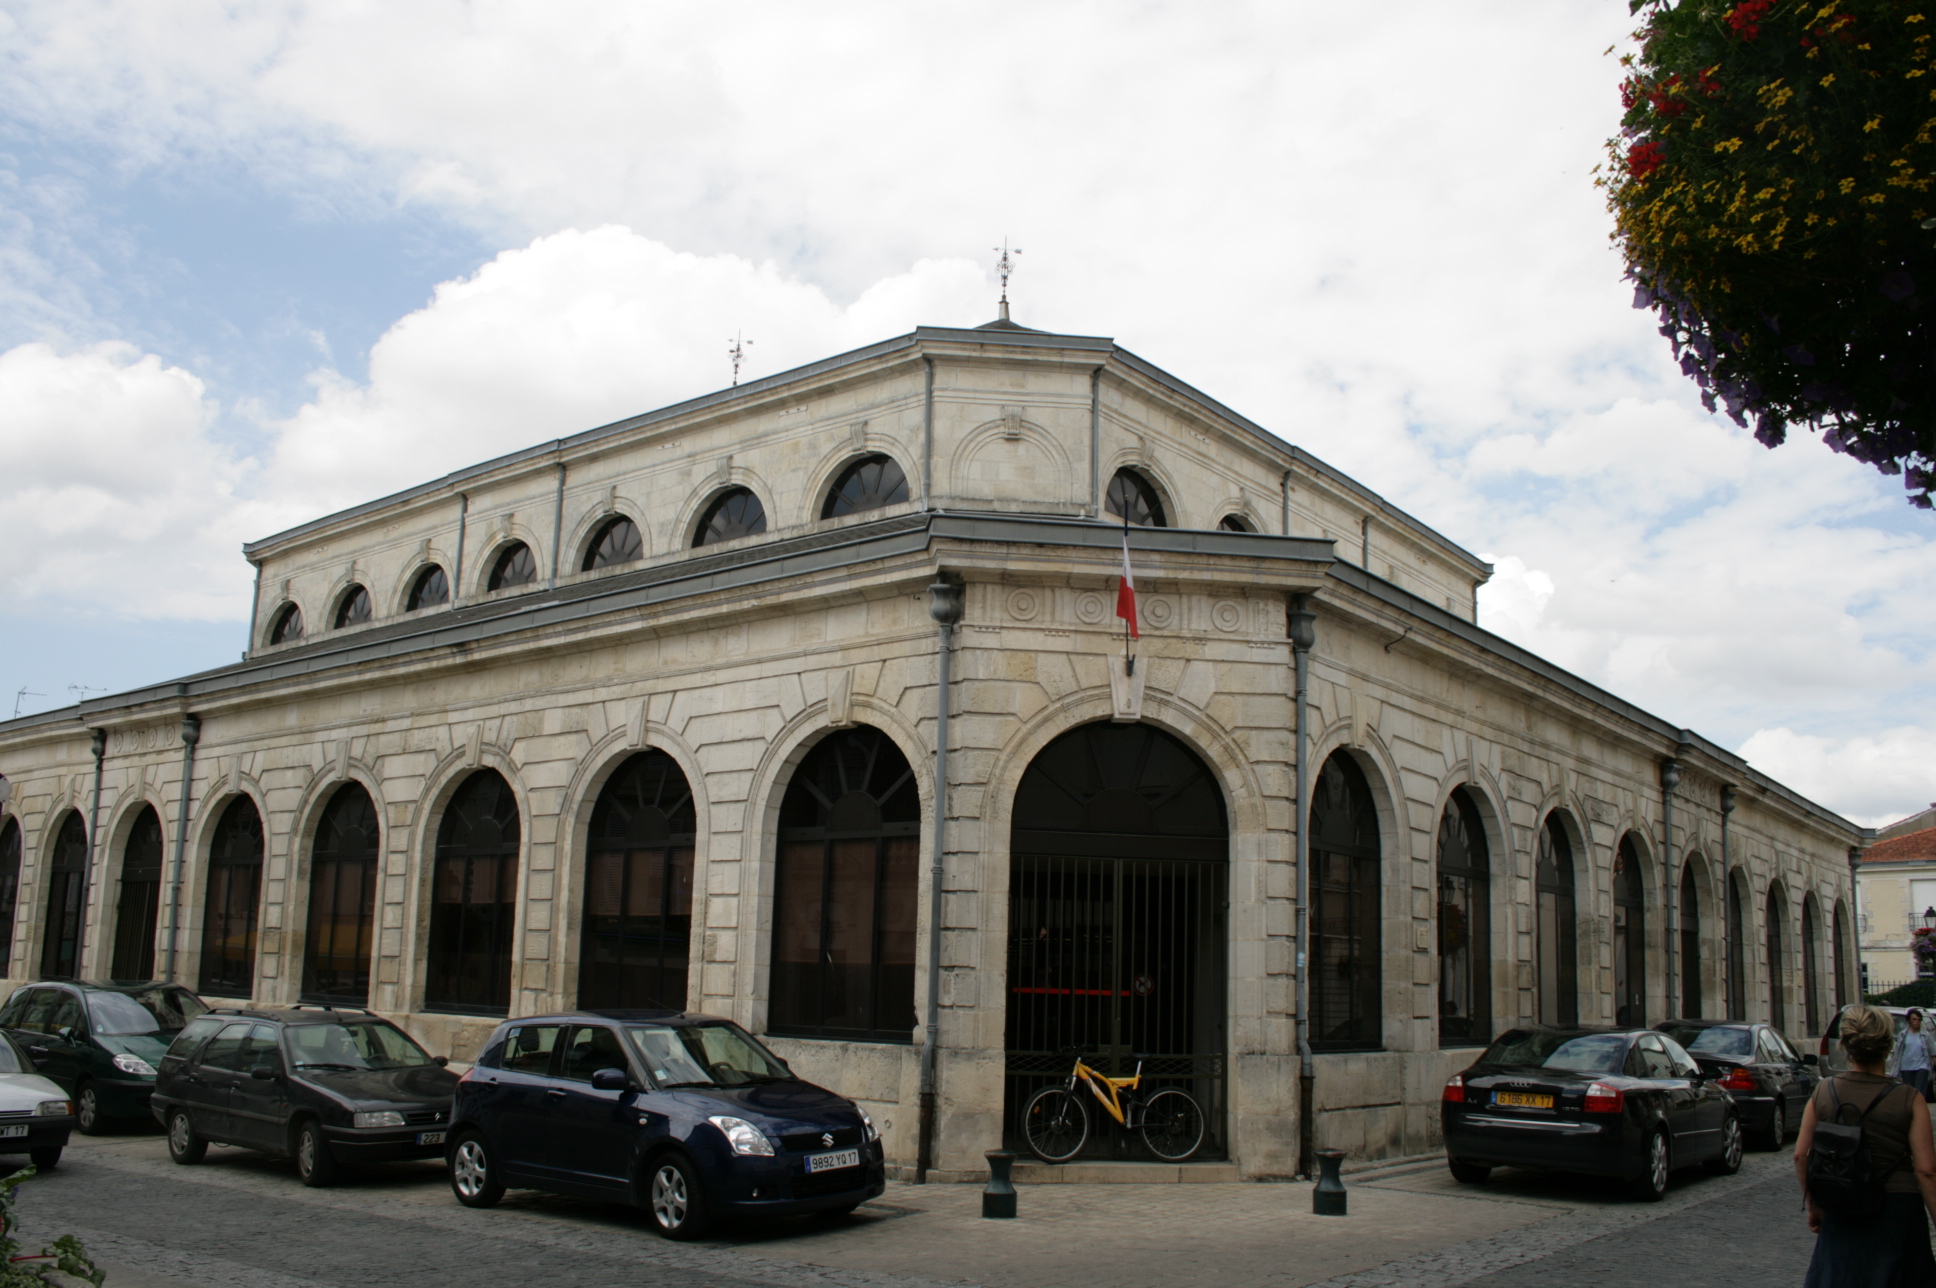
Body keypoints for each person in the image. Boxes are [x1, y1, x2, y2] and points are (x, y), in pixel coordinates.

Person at [1797, 1003, 1936, 1286]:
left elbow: (1801, 1154)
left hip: (1842, 1203)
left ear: (1846, 1046)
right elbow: (1926, 1171)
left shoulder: (1824, 1090)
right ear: (1888, 1045)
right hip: (1898, 1209)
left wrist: (1814, 1206)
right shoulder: (1909, 1098)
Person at [1893, 1009, 1936, 1100]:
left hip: (1922, 1066)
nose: (1916, 1022)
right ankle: (1910, 1110)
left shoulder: (1926, 1035)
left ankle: (1918, 1108)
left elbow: (1933, 1052)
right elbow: (1898, 1052)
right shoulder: (1903, 1035)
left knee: (1918, 1090)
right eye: (1914, 1019)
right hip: (1906, 1067)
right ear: (1909, 1020)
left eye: (1918, 1020)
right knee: (1909, 1091)